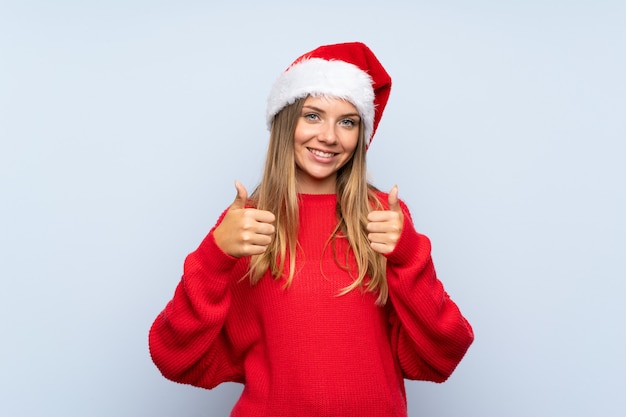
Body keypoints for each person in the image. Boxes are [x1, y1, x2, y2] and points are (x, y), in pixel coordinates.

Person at [149, 42, 474, 417]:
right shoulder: (248, 224)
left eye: (347, 121)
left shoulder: (383, 218)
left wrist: (408, 255)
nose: (330, 137)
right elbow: (173, 357)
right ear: (287, 122)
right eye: (313, 116)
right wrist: (214, 255)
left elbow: (445, 352)